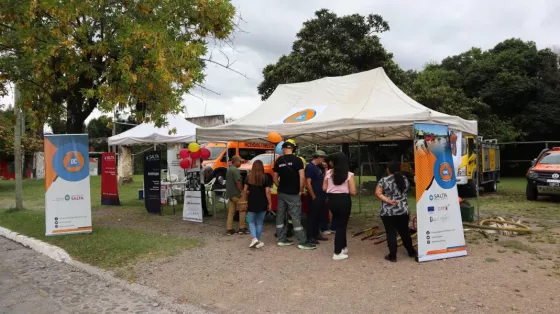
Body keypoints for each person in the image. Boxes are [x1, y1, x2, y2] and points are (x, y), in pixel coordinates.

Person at [273, 141, 316, 250]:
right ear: (293, 149)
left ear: (283, 149)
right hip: (293, 193)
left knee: (280, 216)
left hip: (281, 193)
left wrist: (280, 186)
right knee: (296, 217)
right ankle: (302, 241)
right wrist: (300, 190)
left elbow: (274, 178)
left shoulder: (279, 161)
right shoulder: (297, 160)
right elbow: (302, 177)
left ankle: (281, 239)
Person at [375, 161, 416, 262]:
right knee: (405, 232)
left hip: (388, 212)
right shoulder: (405, 179)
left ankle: (392, 256)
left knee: (391, 233)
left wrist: (388, 200)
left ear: (388, 169)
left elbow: (378, 193)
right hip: (403, 209)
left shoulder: (384, 180)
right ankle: (411, 252)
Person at [322, 153, 356, 260]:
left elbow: (324, 188)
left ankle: (343, 247)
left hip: (331, 200)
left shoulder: (328, 173)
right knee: (341, 226)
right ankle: (337, 252)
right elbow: (353, 191)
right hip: (344, 200)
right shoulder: (349, 174)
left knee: (339, 223)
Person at [243, 160, 272, 249]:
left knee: (251, 222)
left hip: (252, 201)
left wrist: (245, 201)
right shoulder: (265, 177)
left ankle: (254, 239)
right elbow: (267, 191)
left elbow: (244, 191)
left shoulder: (248, 177)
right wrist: (270, 203)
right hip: (262, 202)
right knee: (260, 222)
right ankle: (257, 240)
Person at [305, 150, 329, 244]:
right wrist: (313, 196)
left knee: (319, 215)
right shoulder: (310, 167)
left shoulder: (318, 167)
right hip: (315, 196)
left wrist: (326, 168)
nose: (323, 160)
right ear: (318, 157)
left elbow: (325, 178)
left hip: (321, 195)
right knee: (312, 216)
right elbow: (308, 183)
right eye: (323, 158)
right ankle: (310, 236)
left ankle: (316, 233)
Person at [226, 155, 248, 235]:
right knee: (242, 210)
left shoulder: (229, 169)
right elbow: (238, 182)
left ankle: (229, 228)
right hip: (237, 194)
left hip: (230, 194)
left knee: (231, 212)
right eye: (240, 161)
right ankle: (242, 228)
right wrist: (242, 191)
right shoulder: (235, 170)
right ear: (235, 162)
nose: (241, 163)